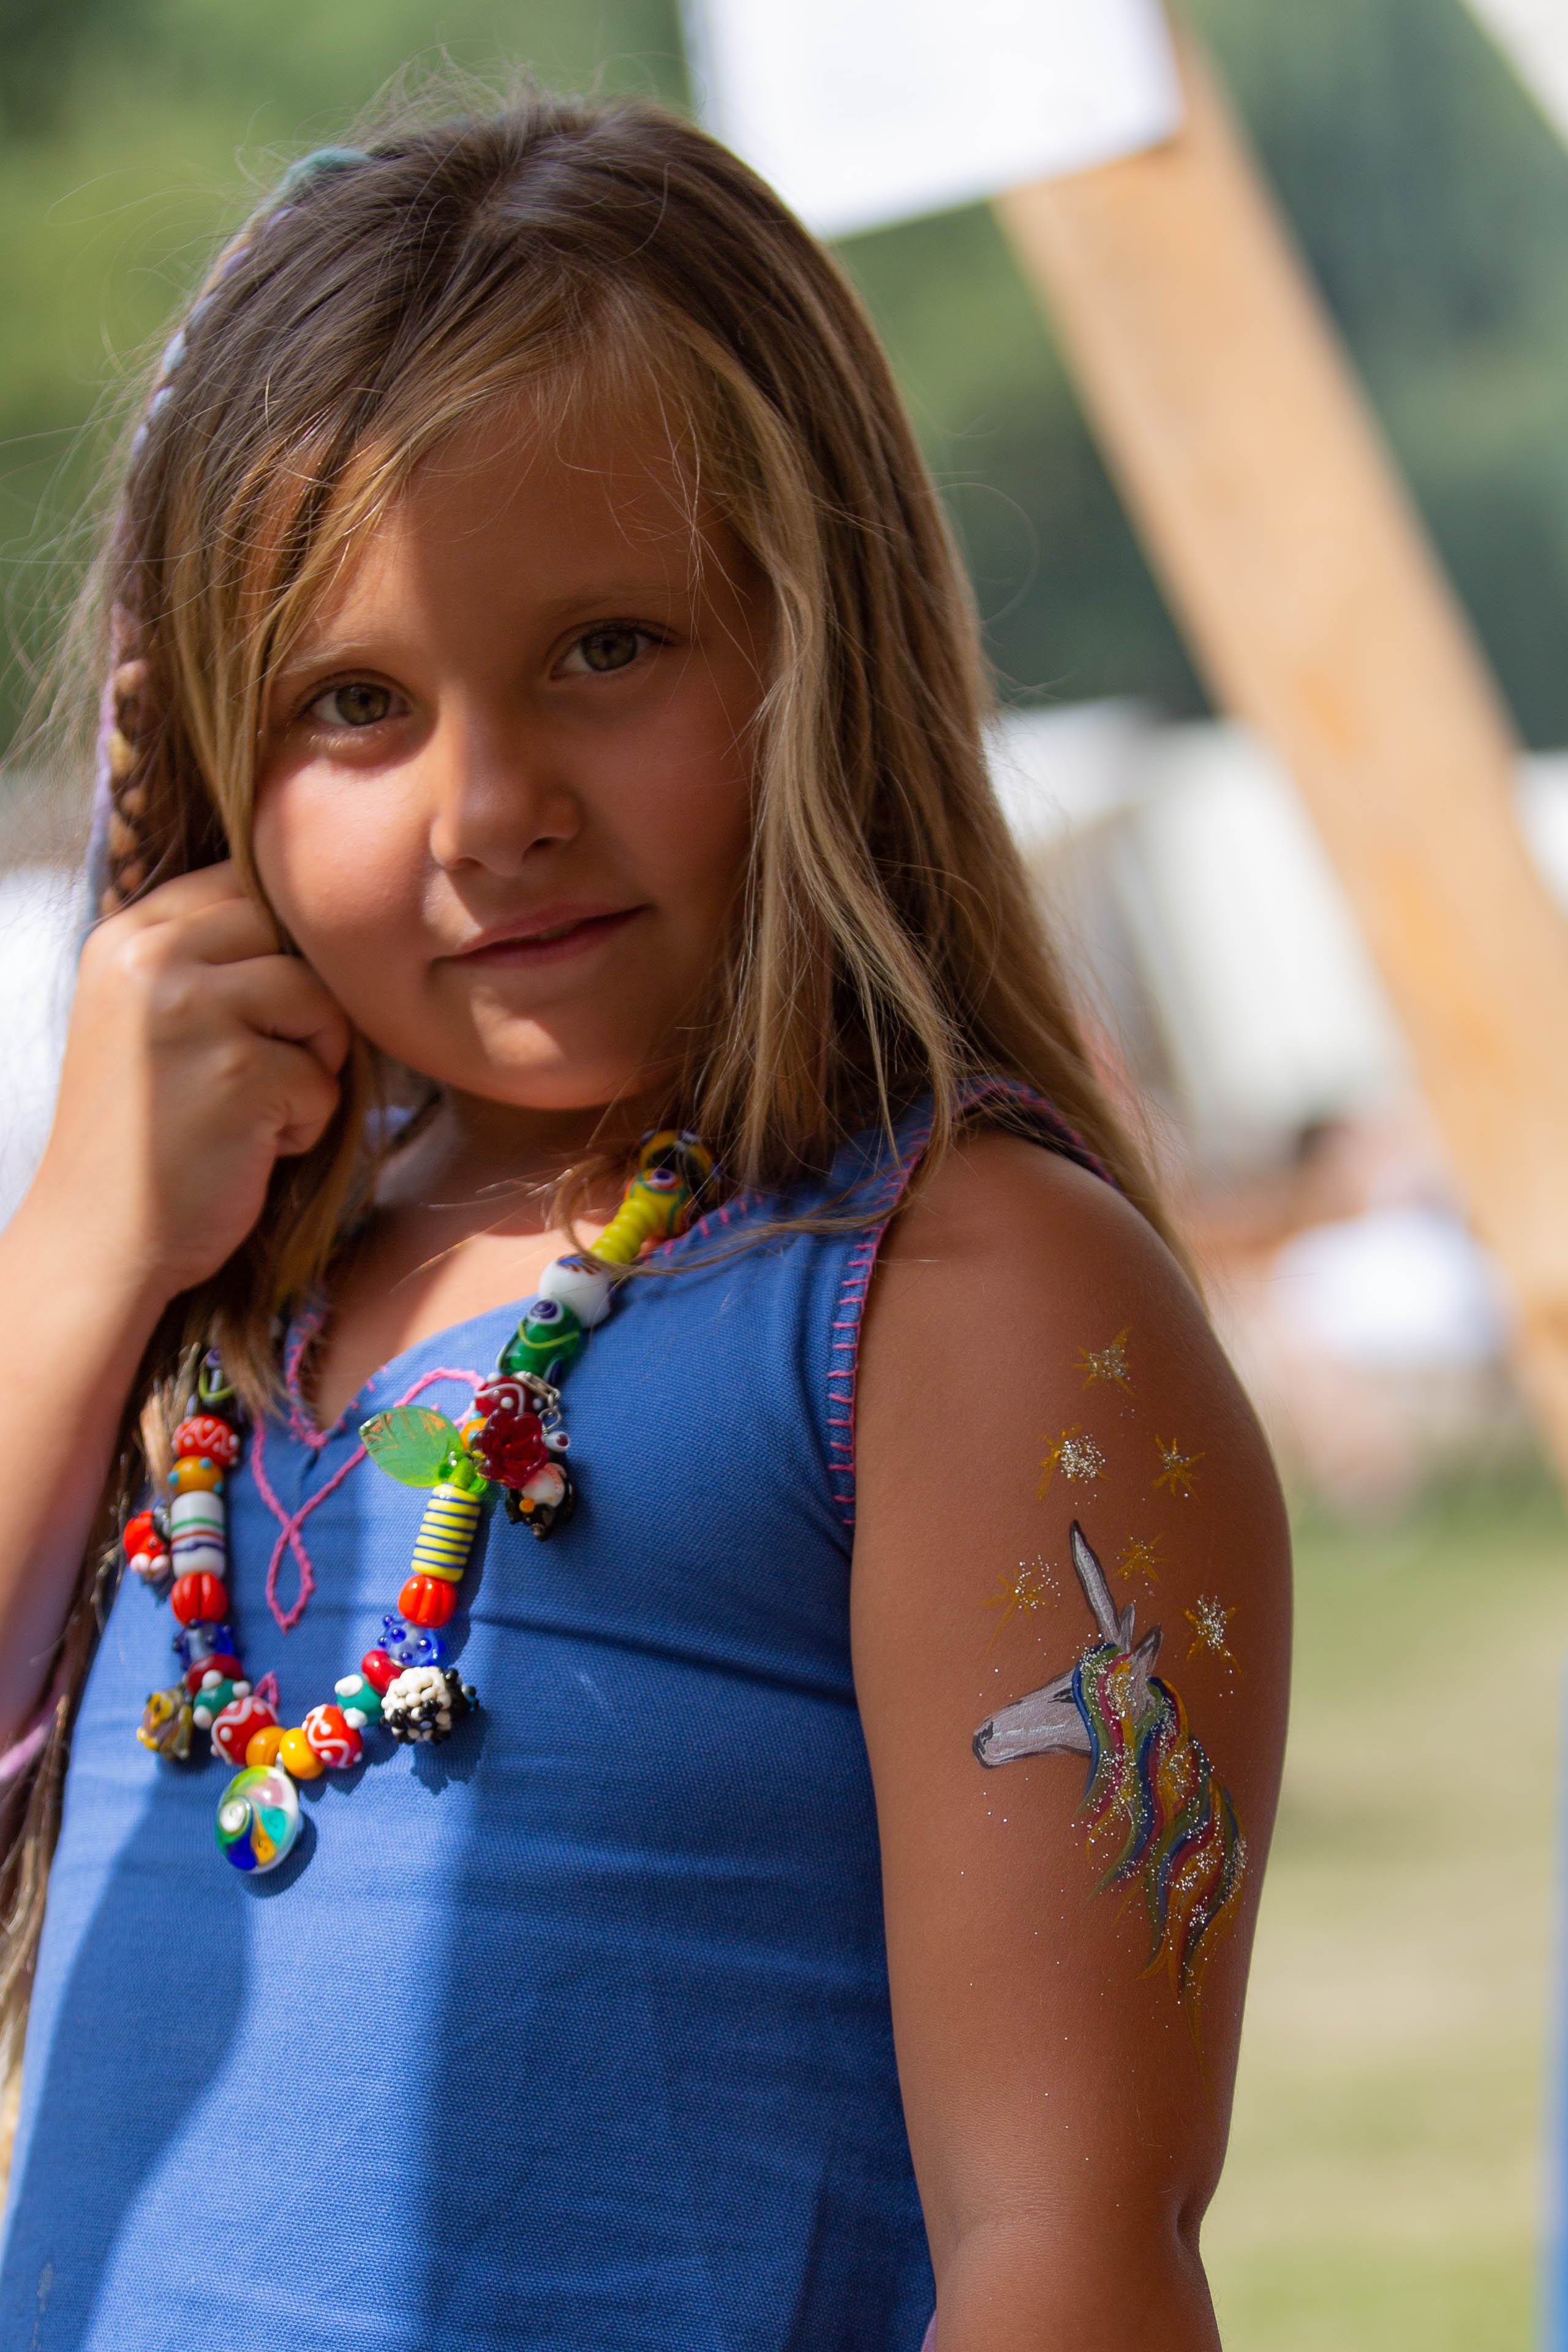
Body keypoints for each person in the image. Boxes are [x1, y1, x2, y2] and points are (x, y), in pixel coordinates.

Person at [0, 94, 1290, 2351]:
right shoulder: (204, 1307)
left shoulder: (960, 1297)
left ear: (825, 645)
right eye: (354, 705)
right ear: (199, 756)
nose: (490, 809)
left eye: (608, 648)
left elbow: (1070, 2252)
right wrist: (81, 1252)